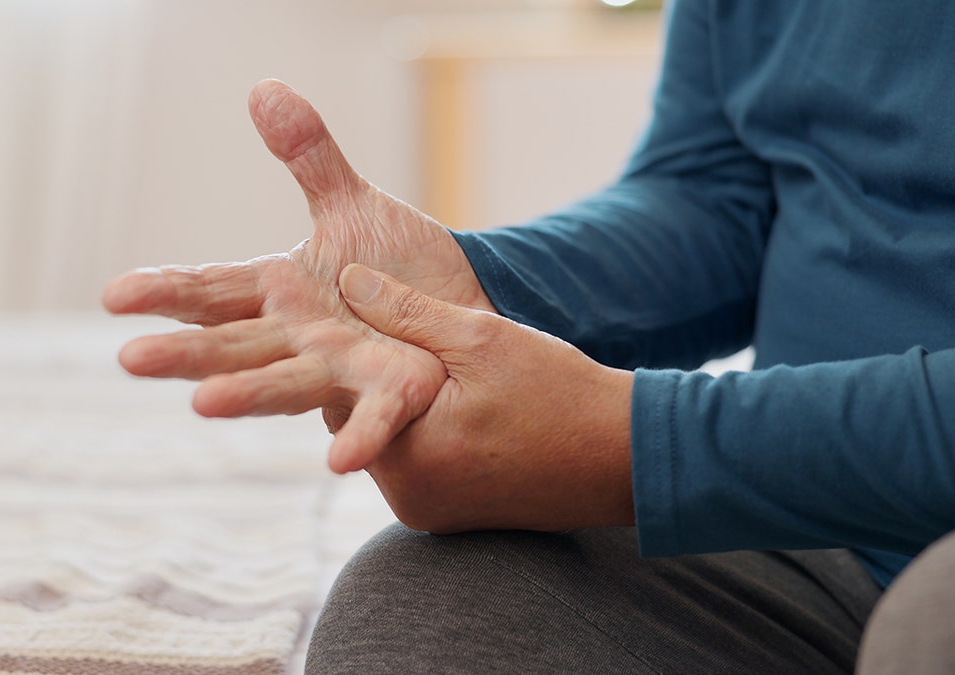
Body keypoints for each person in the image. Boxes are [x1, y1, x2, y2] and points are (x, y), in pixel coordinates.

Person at [103, 0, 955, 671]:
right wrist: (478, 286)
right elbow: (719, 195)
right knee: (431, 604)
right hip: (819, 527)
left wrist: (632, 444)